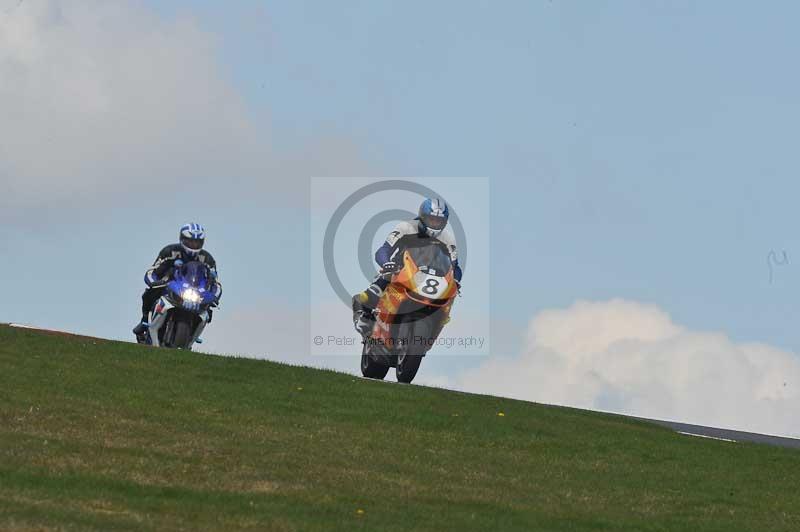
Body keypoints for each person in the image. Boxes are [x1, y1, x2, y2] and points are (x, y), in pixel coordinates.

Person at [352, 198, 462, 337]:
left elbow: (455, 265)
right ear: (422, 217)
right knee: (375, 289)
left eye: (438, 221)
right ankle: (362, 314)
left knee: (447, 300)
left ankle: (435, 326)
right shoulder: (405, 227)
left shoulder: (448, 238)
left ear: (444, 222)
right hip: (401, 270)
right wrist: (386, 263)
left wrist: (456, 280)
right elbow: (383, 250)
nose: (434, 224)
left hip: (432, 277)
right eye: (431, 219)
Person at [132, 223, 219, 342]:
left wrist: (214, 295)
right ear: (182, 239)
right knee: (148, 294)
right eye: (190, 241)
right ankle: (144, 320)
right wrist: (155, 282)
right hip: (170, 286)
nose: (194, 245)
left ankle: (194, 332)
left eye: (197, 242)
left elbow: (215, 283)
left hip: (196, 292)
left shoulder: (207, 259)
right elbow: (153, 271)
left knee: (209, 310)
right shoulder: (169, 251)